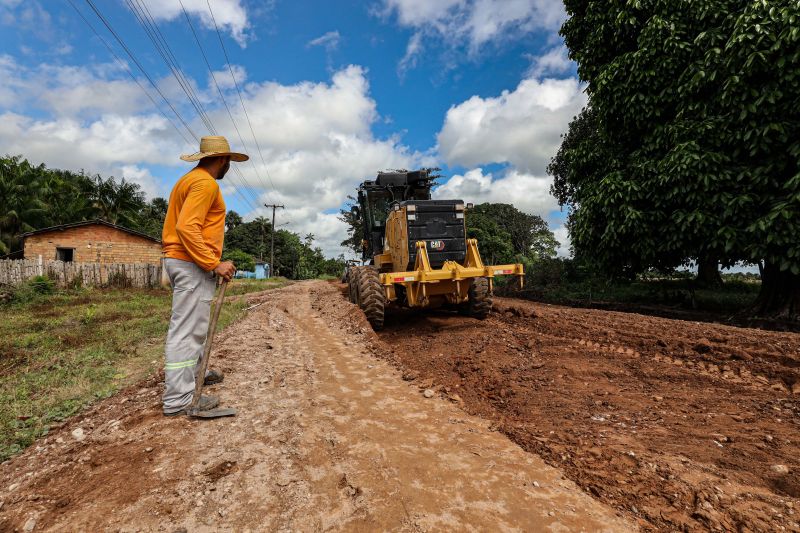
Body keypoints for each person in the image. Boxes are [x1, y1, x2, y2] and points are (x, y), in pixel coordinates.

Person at [160, 136, 248, 416]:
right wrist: (213, 263)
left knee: (193, 326)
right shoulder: (206, 183)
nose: (228, 167)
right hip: (190, 264)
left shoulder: (188, 180)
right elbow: (187, 228)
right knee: (186, 332)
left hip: (182, 261)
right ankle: (179, 399)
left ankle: (195, 373)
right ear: (222, 160)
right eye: (229, 162)